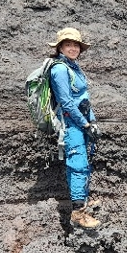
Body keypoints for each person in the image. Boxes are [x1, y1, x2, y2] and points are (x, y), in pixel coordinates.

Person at [46, 27, 100, 230]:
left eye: (76, 44)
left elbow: (83, 99)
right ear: (60, 47)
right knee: (78, 165)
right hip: (71, 124)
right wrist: (85, 124)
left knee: (80, 163)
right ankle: (78, 213)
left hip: (82, 122)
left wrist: (92, 122)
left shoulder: (74, 67)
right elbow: (67, 103)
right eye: (68, 44)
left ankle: (83, 199)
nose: (73, 48)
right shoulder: (59, 69)